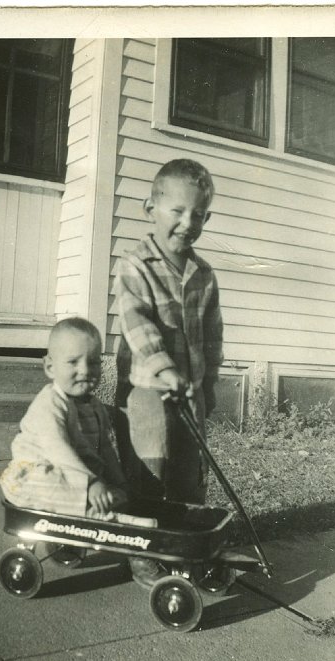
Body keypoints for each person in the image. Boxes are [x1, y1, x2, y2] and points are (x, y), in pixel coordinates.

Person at [114, 158, 224, 587]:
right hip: (146, 390)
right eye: (177, 211)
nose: (187, 222)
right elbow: (136, 321)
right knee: (150, 466)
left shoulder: (205, 275)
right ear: (150, 208)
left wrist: (208, 384)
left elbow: (213, 335)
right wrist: (163, 367)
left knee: (187, 470)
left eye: (197, 214)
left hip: (190, 392)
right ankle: (142, 549)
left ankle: (179, 545)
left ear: (206, 218)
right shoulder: (135, 264)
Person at [0, 317, 128, 520]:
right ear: (50, 367)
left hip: (72, 472)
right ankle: (97, 514)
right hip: (39, 473)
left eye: (94, 362)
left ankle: (96, 507)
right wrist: (90, 482)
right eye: (73, 362)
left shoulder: (96, 406)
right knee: (56, 483)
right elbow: (58, 448)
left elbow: (105, 448)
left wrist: (119, 481)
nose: (85, 370)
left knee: (111, 490)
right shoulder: (50, 402)